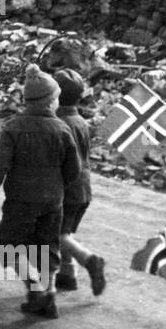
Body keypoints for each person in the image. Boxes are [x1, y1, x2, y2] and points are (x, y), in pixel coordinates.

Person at [0, 65, 80, 319]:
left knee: (6, 244)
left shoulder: (14, 127)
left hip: (21, 199)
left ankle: (34, 289)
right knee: (48, 247)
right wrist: (59, 187)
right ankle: (49, 296)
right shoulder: (62, 129)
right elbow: (73, 170)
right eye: (56, 98)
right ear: (49, 102)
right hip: (53, 200)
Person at [52, 69, 108, 295]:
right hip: (84, 188)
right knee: (64, 232)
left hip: (67, 189)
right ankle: (68, 275)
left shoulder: (59, 124)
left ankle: (89, 260)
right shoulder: (81, 122)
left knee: (57, 234)